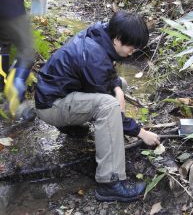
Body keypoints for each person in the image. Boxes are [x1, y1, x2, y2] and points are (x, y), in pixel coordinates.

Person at [34, 11, 161, 202]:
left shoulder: (100, 33)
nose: (132, 52)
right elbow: (109, 104)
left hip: (57, 94)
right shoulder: (93, 56)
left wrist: (118, 88)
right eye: (131, 47)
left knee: (121, 86)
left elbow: (107, 73)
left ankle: (71, 125)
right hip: (51, 106)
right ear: (117, 39)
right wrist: (141, 132)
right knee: (108, 105)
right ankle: (110, 183)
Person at [0, 0, 46, 117]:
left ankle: (2, 95)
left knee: (4, 45)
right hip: (10, 5)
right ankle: (15, 102)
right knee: (27, 51)